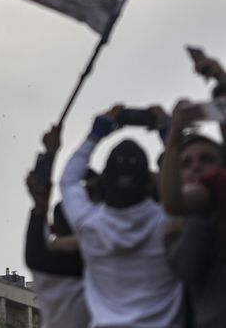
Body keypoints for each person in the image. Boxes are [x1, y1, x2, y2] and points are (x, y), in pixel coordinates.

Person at [60, 106, 182, 327]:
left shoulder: (89, 224)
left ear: (103, 181)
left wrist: (96, 133)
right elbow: (188, 182)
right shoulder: (168, 223)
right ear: (150, 181)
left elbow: (68, 180)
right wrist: (168, 133)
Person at [161, 99, 226, 328]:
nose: (196, 167)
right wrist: (174, 133)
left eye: (206, 159)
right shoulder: (174, 227)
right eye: (186, 164)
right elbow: (185, 267)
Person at [24, 125, 90, 328]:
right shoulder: (99, 259)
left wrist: (51, 153)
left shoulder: (43, 265)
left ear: (53, 229)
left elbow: (40, 210)